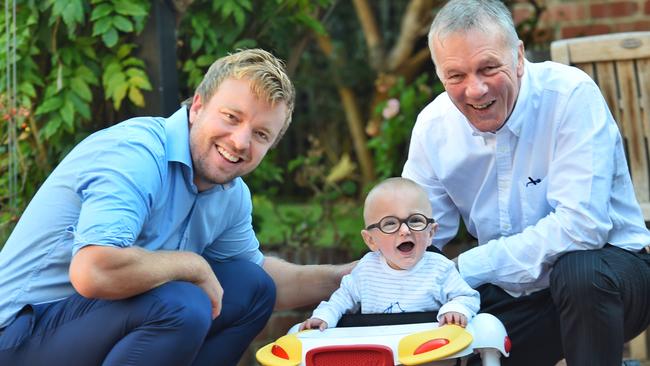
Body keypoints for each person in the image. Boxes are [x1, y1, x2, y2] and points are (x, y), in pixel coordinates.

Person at [0, 49, 351, 366]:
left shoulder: (229, 192)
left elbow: (264, 281)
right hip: (17, 334)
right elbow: (94, 271)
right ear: (197, 106)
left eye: (261, 135)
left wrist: (351, 278)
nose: (240, 141)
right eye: (231, 117)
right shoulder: (137, 154)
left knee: (252, 287)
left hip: (84, 329)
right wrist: (192, 265)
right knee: (182, 304)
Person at [402, 0, 650, 365]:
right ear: (440, 75)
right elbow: (418, 236)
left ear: (518, 57)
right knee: (444, 337)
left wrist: (464, 267)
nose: (476, 90)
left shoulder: (569, 95)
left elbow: (583, 228)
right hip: (514, 291)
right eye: (456, 76)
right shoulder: (433, 127)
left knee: (579, 273)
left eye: (489, 68)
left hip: (611, 279)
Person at [300, 177, 479, 331]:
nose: (404, 230)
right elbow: (340, 300)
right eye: (390, 223)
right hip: (380, 354)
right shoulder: (366, 271)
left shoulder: (440, 268)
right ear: (371, 240)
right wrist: (324, 317)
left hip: (428, 352)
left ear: (430, 233)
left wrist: (455, 309)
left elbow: (467, 296)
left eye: (415, 220)